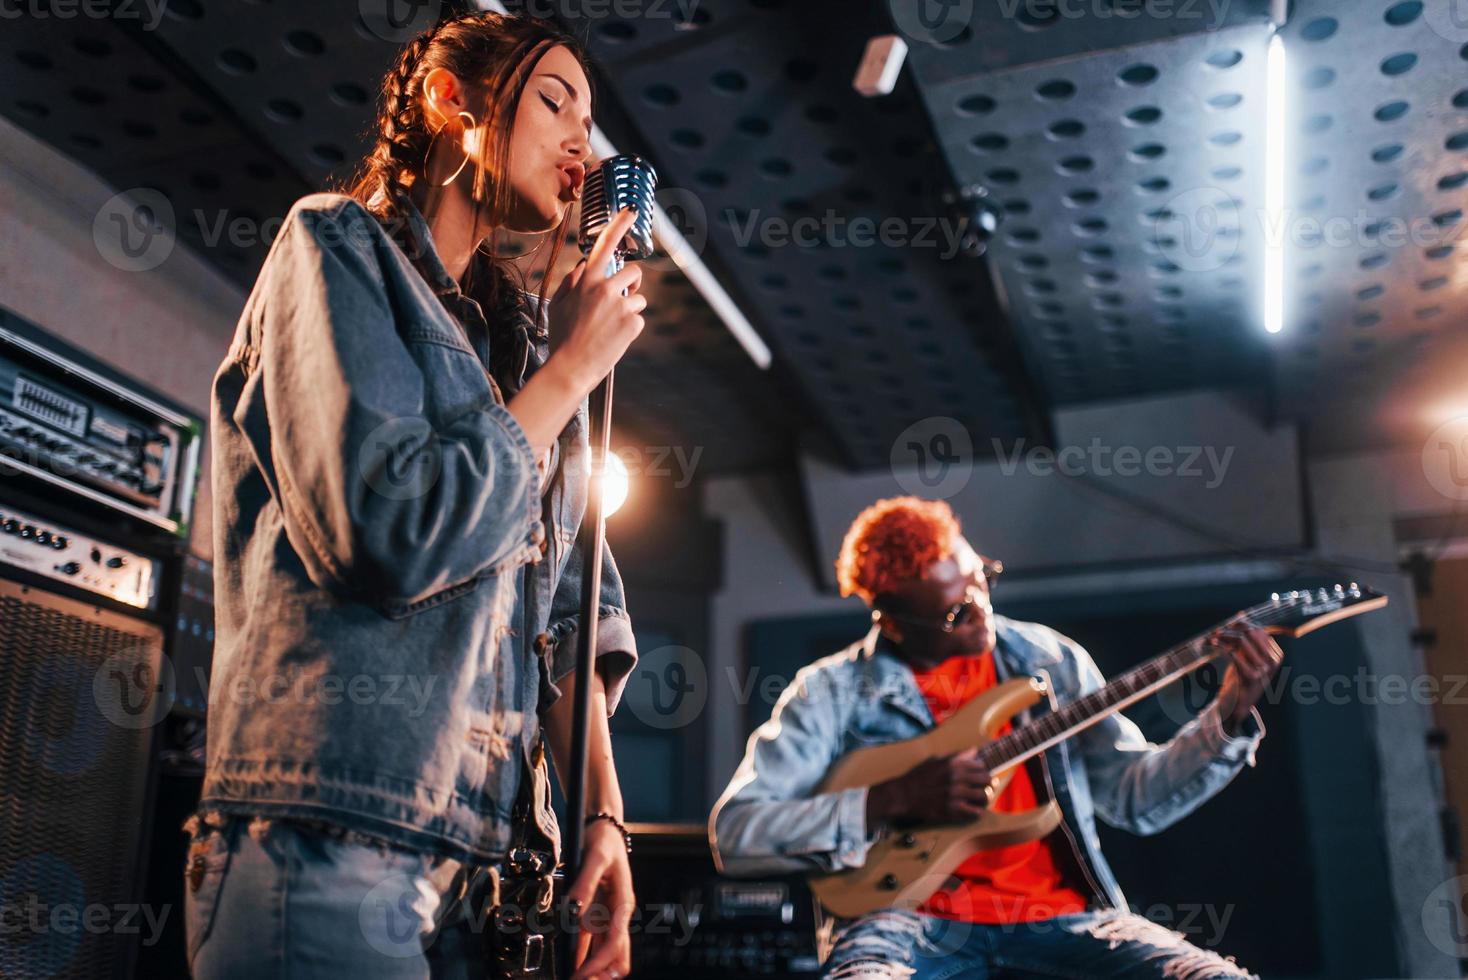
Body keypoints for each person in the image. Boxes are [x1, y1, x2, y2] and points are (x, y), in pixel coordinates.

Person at [186, 12, 643, 978]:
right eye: (555, 100)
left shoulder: (517, 356)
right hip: (337, 833)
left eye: (590, 122)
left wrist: (601, 815)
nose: (581, 142)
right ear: (452, 100)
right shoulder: (338, 247)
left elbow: (566, 617)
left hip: (490, 876)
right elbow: (388, 527)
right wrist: (570, 372)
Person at [710, 496, 1284, 979]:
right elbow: (737, 834)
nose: (982, 609)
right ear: (891, 619)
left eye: (982, 578)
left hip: (1068, 915)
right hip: (902, 920)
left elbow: (1134, 798)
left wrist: (1229, 714)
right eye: (956, 611)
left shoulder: (1049, 659)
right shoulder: (829, 690)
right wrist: (895, 799)